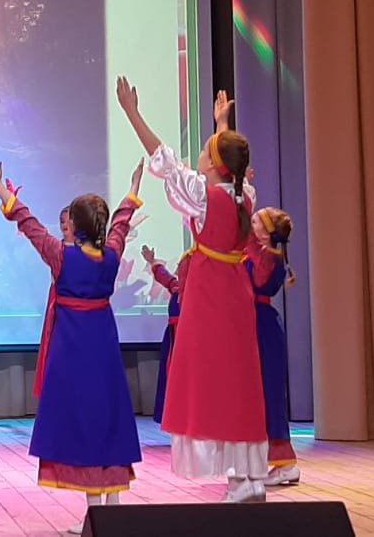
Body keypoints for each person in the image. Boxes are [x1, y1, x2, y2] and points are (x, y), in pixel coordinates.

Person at [116, 80, 269, 503]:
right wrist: (222, 125)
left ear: (215, 164)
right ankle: (248, 475)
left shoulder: (203, 196)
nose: (199, 155)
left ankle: (239, 480)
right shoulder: (244, 194)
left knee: (212, 379)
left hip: (209, 294)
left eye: (206, 149)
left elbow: (163, 159)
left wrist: (132, 112)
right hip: (235, 293)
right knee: (238, 380)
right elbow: (229, 167)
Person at [0, 154, 145, 534]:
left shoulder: (61, 256)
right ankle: (112, 510)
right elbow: (122, 222)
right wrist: (133, 188)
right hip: (103, 346)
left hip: (73, 351)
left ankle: (95, 515)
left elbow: (28, 222)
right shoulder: (111, 255)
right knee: (108, 418)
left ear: (76, 226)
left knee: (84, 423)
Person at [247, 207, 300, 486]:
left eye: (255, 220)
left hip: (263, 328)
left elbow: (256, 277)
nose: (250, 222)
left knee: (270, 395)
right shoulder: (262, 254)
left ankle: (285, 463)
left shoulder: (269, 257)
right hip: (255, 324)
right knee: (259, 395)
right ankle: (272, 461)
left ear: (266, 232)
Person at [141, 245, 185, 425]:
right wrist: (152, 261)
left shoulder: (193, 289)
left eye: (181, 267)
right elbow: (164, 276)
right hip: (174, 337)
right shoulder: (176, 286)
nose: (177, 270)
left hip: (186, 338)